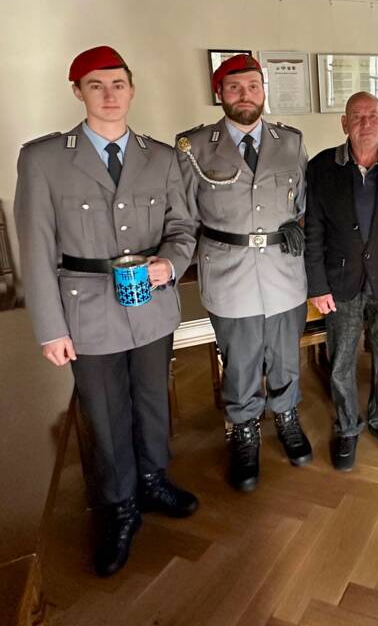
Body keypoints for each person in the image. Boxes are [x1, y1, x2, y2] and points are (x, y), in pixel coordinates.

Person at [14, 46, 198, 577]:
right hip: (86, 308)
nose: (110, 94)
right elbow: (36, 246)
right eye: (97, 85)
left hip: (151, 308)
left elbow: (182, 229)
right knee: (104, 411)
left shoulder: (162, 156)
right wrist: (49, 328)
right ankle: (117, 506)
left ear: (132, 89)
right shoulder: (44, 158)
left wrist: (170, 262)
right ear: (78, 91)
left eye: (118, 83)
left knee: (151, 400)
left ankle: (152, 479)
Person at [176, 54, 312, 493]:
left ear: (263, 89)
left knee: (286, 355)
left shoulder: (290, 142)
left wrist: (298, 226)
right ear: (220, 94)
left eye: (252, 86)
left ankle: (287, 416)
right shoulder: (194, 146)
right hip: (230, 272)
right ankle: (244, 429)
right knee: (240, 362)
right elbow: (182, 216)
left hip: (284, 272)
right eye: (234, 88)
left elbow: (305, 203)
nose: (245, 95)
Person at [304, 92, 378, 470]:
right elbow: (313, 232)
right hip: (340, 283)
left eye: (373, 115)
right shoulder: (322, 167)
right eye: (356, 117)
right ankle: (346, 428)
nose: (365, 123)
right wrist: (318, 285)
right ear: (344, 124)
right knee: (341, 360)